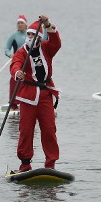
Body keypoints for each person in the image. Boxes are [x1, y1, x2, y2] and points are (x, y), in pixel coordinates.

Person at [10, 16, 61, 171]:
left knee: (49, 130)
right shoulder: (22, 52)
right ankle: (25, 164)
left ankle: (50, 164)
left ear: (39, 37)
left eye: (33, 35)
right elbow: (15, 64)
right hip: (28, 97)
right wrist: (17, 72)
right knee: (26, 130)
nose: (30, 37)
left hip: (46, 94)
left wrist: (47, 25)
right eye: (29, 35)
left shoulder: (46, 48)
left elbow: (56, 43)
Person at [4, 15, 28, 110]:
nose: (20, 24)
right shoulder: (13, 36)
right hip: (17, 61)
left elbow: (42, 40)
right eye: (18, 23)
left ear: (26, 25)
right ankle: (13, 104)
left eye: (22, 23)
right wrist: (10, 55)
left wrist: (46, 29)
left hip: (28, 62)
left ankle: (25, 102)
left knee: (27, 81)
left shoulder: (30, 34)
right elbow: (6, 49)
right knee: (14, 81)